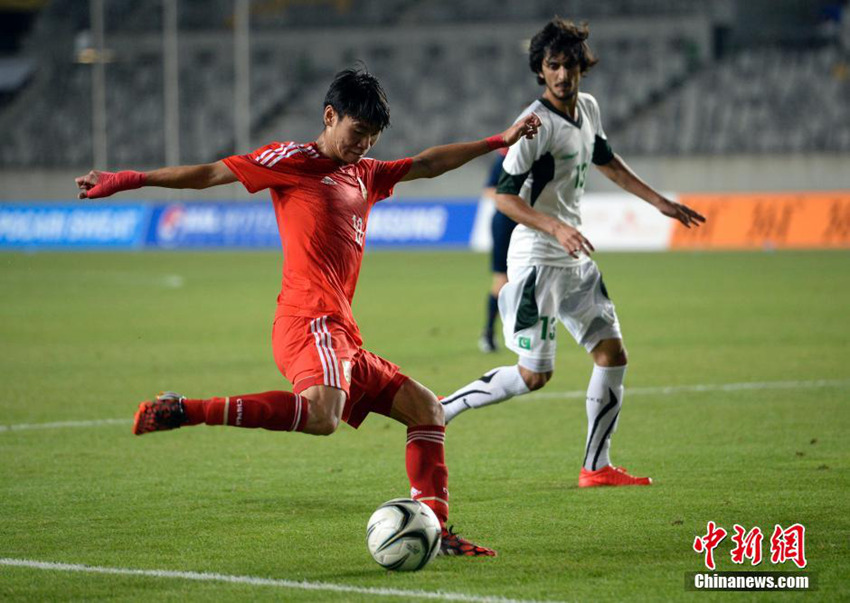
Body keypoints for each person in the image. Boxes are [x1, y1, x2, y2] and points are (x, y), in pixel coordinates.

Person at [75, 67, 540, 556]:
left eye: (372, 137)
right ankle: (185, 409)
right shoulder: (291, 161)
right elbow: (210, 174)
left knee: (426, 410)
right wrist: (126, 179)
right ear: (329, 116)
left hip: (341, 332)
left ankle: (437, 532)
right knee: (323, 416)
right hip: (306, 320)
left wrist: (498, 140)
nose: (363, 144)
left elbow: (427, 163)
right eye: (356, 132)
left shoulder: (366, 174)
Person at [440, 19, 706, 487]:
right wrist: (554, 226)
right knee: (532, 376)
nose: (563, 74)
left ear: (583, 68)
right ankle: (439, 411)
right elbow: (503, 196)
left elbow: (606, 159)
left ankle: (596, 467)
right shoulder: (534, 125)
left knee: (612, 354)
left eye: (570, 65)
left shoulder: (588, 108)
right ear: (540, 71)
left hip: (573, 255)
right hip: (538, 258)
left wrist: (658, 201)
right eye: (553, 66)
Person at [478, 148, 518, 354]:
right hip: (505, 222)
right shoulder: (506, 156)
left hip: (529, 221)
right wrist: (513, 198)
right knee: (502, 279)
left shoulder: (540, 155)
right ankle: (489, 333)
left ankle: (522, 332)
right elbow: (489, 189)